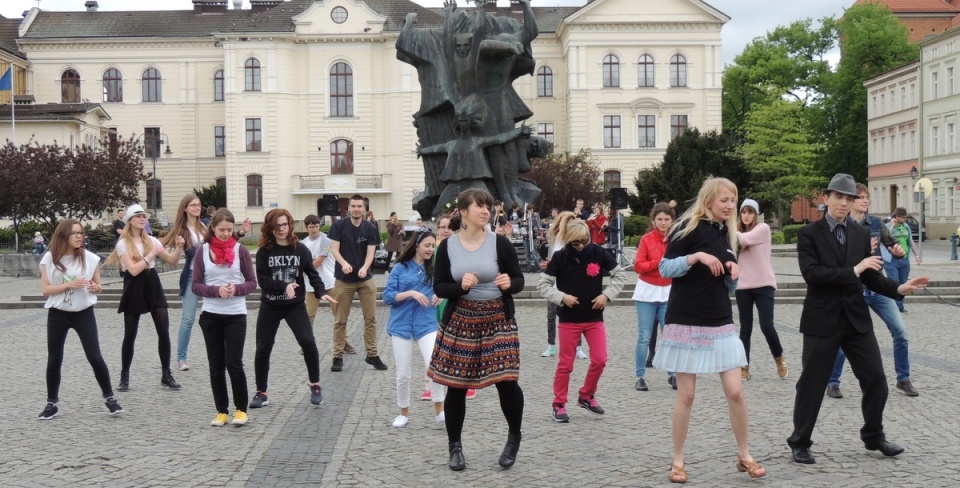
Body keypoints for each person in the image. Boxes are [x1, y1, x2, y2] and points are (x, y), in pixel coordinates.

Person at [787, 174, 929, 465]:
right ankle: (800, 442)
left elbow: (871, 276)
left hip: (855, 320)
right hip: (822, 320)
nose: (843, 202)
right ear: (826, 199)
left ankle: (873, 436)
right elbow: (812, 274)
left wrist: (900, 288)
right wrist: (855, 269)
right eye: (838, 197)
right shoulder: (809, 234)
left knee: (876, 378)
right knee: (812, 384)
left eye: (848, 198)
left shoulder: (861, 234)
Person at [654, 177, 765, 483]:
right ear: (709, 200)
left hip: (719, 319)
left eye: (733, 200)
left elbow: (729, 285)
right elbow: (665, 268)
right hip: (685, 317)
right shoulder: (686, 227)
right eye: (725, 201)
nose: (730, 206)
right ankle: (677, 460)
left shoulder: (730, 236)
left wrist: (733, 274)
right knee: (686, 395)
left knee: (735, 391)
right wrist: (696, 257)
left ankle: (744, 455)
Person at [429, 188, 525, 471]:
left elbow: (517, 279)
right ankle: (455, 447)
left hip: (498, 318)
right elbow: (439, 287)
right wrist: (461, 287)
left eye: (488, 207)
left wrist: (510, 284)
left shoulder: (500, 243)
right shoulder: (447, 247)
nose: (486, 211)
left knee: (507, 381)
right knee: (456, 386)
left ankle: (514, 437)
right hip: (462, 319)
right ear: (463, 212)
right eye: (479, 206)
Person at [827, 184, 918, 398]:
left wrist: (897, 250)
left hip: (877, 289)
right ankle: (833, 382)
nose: (865, 200)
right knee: (843, 339)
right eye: (860, 197)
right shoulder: (842, 225)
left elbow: (893, 244)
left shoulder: (876, 223)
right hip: (853, 291)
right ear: (850, 201)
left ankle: (903, 379)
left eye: (867, 197)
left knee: (901, 333)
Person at [538, 218, 626, 422]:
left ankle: (586, 395)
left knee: (600, 359)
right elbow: (543, 285)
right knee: (565, 364)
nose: (580, 246)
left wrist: (607, 295)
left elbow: (620, 276)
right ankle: (559, 403)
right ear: (568, 240)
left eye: (583, 241)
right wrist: (561, 297)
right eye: (575, 243)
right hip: (569, 320)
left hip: (594, 318)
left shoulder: (598, 252)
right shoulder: (560, 257)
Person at [249, 208, 336, 409]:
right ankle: (261, 392)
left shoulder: (300, 249)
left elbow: (312, 274)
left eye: (285, 225)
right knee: (263, 347)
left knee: (308, 341)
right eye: (277, 225)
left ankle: (315, 385)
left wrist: (321, 291)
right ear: (270, 227)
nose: (281, 229)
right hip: (270, 305)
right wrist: (284, 286)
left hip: (294, 306)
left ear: (290, 225)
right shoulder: (264, 252)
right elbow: (263, 280)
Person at [38, 219, 122, 419]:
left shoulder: (90, 258)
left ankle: (110, 398)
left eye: (81, 233)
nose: (79, 236)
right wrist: (70, 285)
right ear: (63, 235)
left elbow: (98, 285)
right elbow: (46, 290)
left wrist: (96, 287)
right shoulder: (49, 258)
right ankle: (51, 403)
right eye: (74, 233)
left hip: (84, 313)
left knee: (95, 356)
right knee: (54, 358)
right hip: (58, 313)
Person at [107, 204, 184, 392]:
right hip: (134, 285)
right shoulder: (123, 243)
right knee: (130, 334)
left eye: (144, 216)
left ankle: (166, 373)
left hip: (152, 282)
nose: (143, 219)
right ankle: (124, 376)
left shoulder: (151, 240)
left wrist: (180, 247)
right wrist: (151, 254)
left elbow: (172, 261)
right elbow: (132, 271)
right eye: (138, 216)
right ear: (130, 220)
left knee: (163, 331)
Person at [191, 209, 257, 427]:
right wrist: (216, 290)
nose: (226, 234)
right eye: (222, 230)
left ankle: (241, 410)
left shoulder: (241, 250)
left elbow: (251, 282)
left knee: (234, 363)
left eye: (230, 230)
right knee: (216, 365)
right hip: (211, 315)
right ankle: (221, 410)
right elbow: (196, 285)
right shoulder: (203, 251)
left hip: (236, 314)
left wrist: (236, 289)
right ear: (213, 228)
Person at [383, 230, 447, 427]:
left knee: (433, 367)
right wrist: (410, 293)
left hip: (426, 325)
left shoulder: (435, 269)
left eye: (432, 245)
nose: (430, 249)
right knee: (403, 374)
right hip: (401, 326)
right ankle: (403, 412)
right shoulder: (400, 268)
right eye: (427, 245)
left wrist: (440, 296)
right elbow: (387, 296)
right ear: (417, 246)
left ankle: (440, 410)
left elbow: (444, 288)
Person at [329, 194, 387, 372]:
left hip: (365, 279)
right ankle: (337, 356)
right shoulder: (338, 226)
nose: (356, 209)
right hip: (343, 280)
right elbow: (334, 250)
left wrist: (365, 267)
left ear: (364, 208)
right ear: (348, 208)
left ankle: (372, 355)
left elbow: (371, 253)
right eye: (353, 206)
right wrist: (344, 264)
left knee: (370, 319)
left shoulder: (370, 227)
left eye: (359, 206)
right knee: (340, 320)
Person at [735, 199, 787, 381]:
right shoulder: (736, 233)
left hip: (764, 284)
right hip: (743, 286)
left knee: (767, 326)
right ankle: (744, 366)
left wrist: (725, 229)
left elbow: (744, 239)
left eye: (750, 212)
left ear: (756, 215)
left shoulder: (762, 229)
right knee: (745, 328)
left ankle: (778, 358)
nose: (747, 215)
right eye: (743, 212)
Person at [633, 203, 676, 392]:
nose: (663, 223)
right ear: (653, 221)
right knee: (644, 337)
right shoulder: (646, 239)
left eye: (667, 219)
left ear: (672, 221)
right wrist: (660, 263)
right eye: (660, 219)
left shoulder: (676, 240)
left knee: (669, 336)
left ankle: (673, 374)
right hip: (647, 293)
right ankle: (640, 376)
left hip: (668, 292)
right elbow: (639, 266)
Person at [163, 195, 206, 372]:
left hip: (211, 277)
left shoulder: (204, 225)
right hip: (192, 277)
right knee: (188, 319)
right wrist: (180, 246)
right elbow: (167, 248)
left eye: (199, 204)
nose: (197, 207)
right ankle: (181, 358)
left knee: (220, 315)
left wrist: (240, 233)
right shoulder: (181, 230)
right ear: (186, 208)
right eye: (193, 205)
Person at [302, 214, 355, 356]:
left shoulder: (326, 240)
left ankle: (344, 342)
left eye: (317, 226)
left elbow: (319, 260)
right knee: (309, 315)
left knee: (338, 314)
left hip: (329, 282)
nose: (314, 229)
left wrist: (304, 269)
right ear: (306, 227)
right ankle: (306, 343)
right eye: (311, 226)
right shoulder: (303, 243)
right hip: (311, 285)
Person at [539, 211, 587, 360]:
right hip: (555, 284)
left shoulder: (575, 239)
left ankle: (578, 347)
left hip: (572, 283)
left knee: (577, 316)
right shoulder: (555, 239)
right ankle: (551, 345)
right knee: (551, 316)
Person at [886, 207, 921, 313]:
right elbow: (886, 237)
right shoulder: (887, 226)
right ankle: (893, 307)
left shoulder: (906, 227)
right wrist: (892, 225)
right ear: (897, 217)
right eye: (904, 217)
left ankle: (900, 306)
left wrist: (917, 256)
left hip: (905, 260)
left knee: (903, 283)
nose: (906, 219)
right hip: (891, 260)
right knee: (894, 282)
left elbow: (910, 241)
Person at [522, 204, 541, 273]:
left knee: (535, 253)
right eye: (529, 210)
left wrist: (532, 230)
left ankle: (537, 268)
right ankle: (529, 268)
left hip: (533, 237)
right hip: (526, 237)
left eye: (531, 210)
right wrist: (526, 219)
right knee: (528, 254)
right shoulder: (524, 216)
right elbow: (522, 226)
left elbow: (538, 225)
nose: (530, 211)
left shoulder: (536, 215)